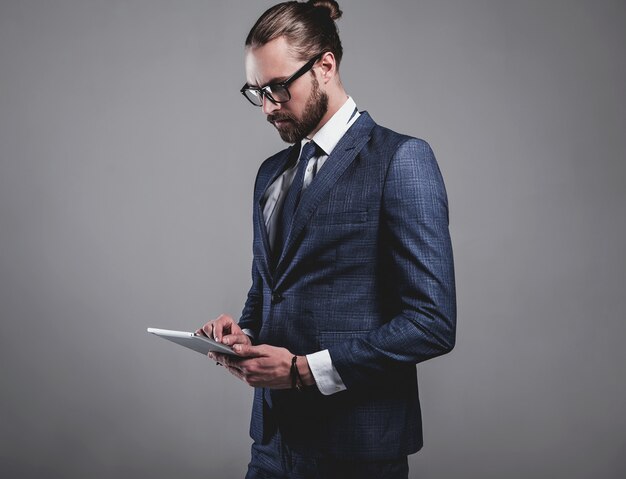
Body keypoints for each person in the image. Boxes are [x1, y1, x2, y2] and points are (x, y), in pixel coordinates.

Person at [197, 1, 456, 477]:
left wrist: (302, 371)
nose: (269, 107)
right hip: (273, 445)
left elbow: (432, 322)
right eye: (256, 92)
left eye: (278, 87)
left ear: (326, 66)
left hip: (356, 449)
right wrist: (244, 335)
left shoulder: (401, 160)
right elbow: (269, 288)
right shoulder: (270, 174)